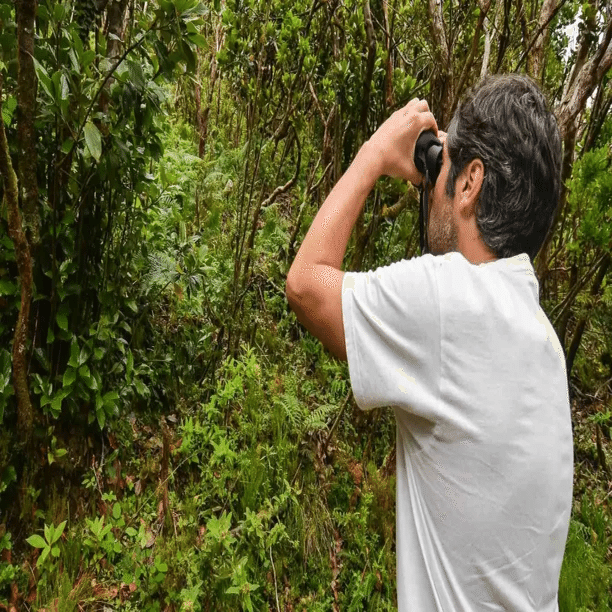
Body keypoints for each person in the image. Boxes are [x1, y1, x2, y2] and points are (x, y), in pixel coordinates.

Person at [286, 74, 573, 611]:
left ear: (470, 183)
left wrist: (375, 152)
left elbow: (305, 284)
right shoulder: (545, 344)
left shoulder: (450, 301)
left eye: (446, 163)